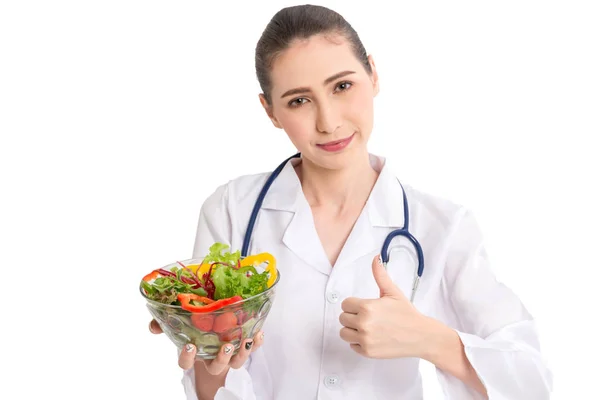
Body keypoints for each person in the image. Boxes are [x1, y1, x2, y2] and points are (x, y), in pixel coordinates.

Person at [148, 4, 552, 399]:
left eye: (342, 86)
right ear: (269, 110)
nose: (329, 122)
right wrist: (205, 354)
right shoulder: (231, 210)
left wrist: (429, 339)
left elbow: (531, 380)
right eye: (298, 100)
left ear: (373, 74)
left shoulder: (443, 226)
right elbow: (212, 385)